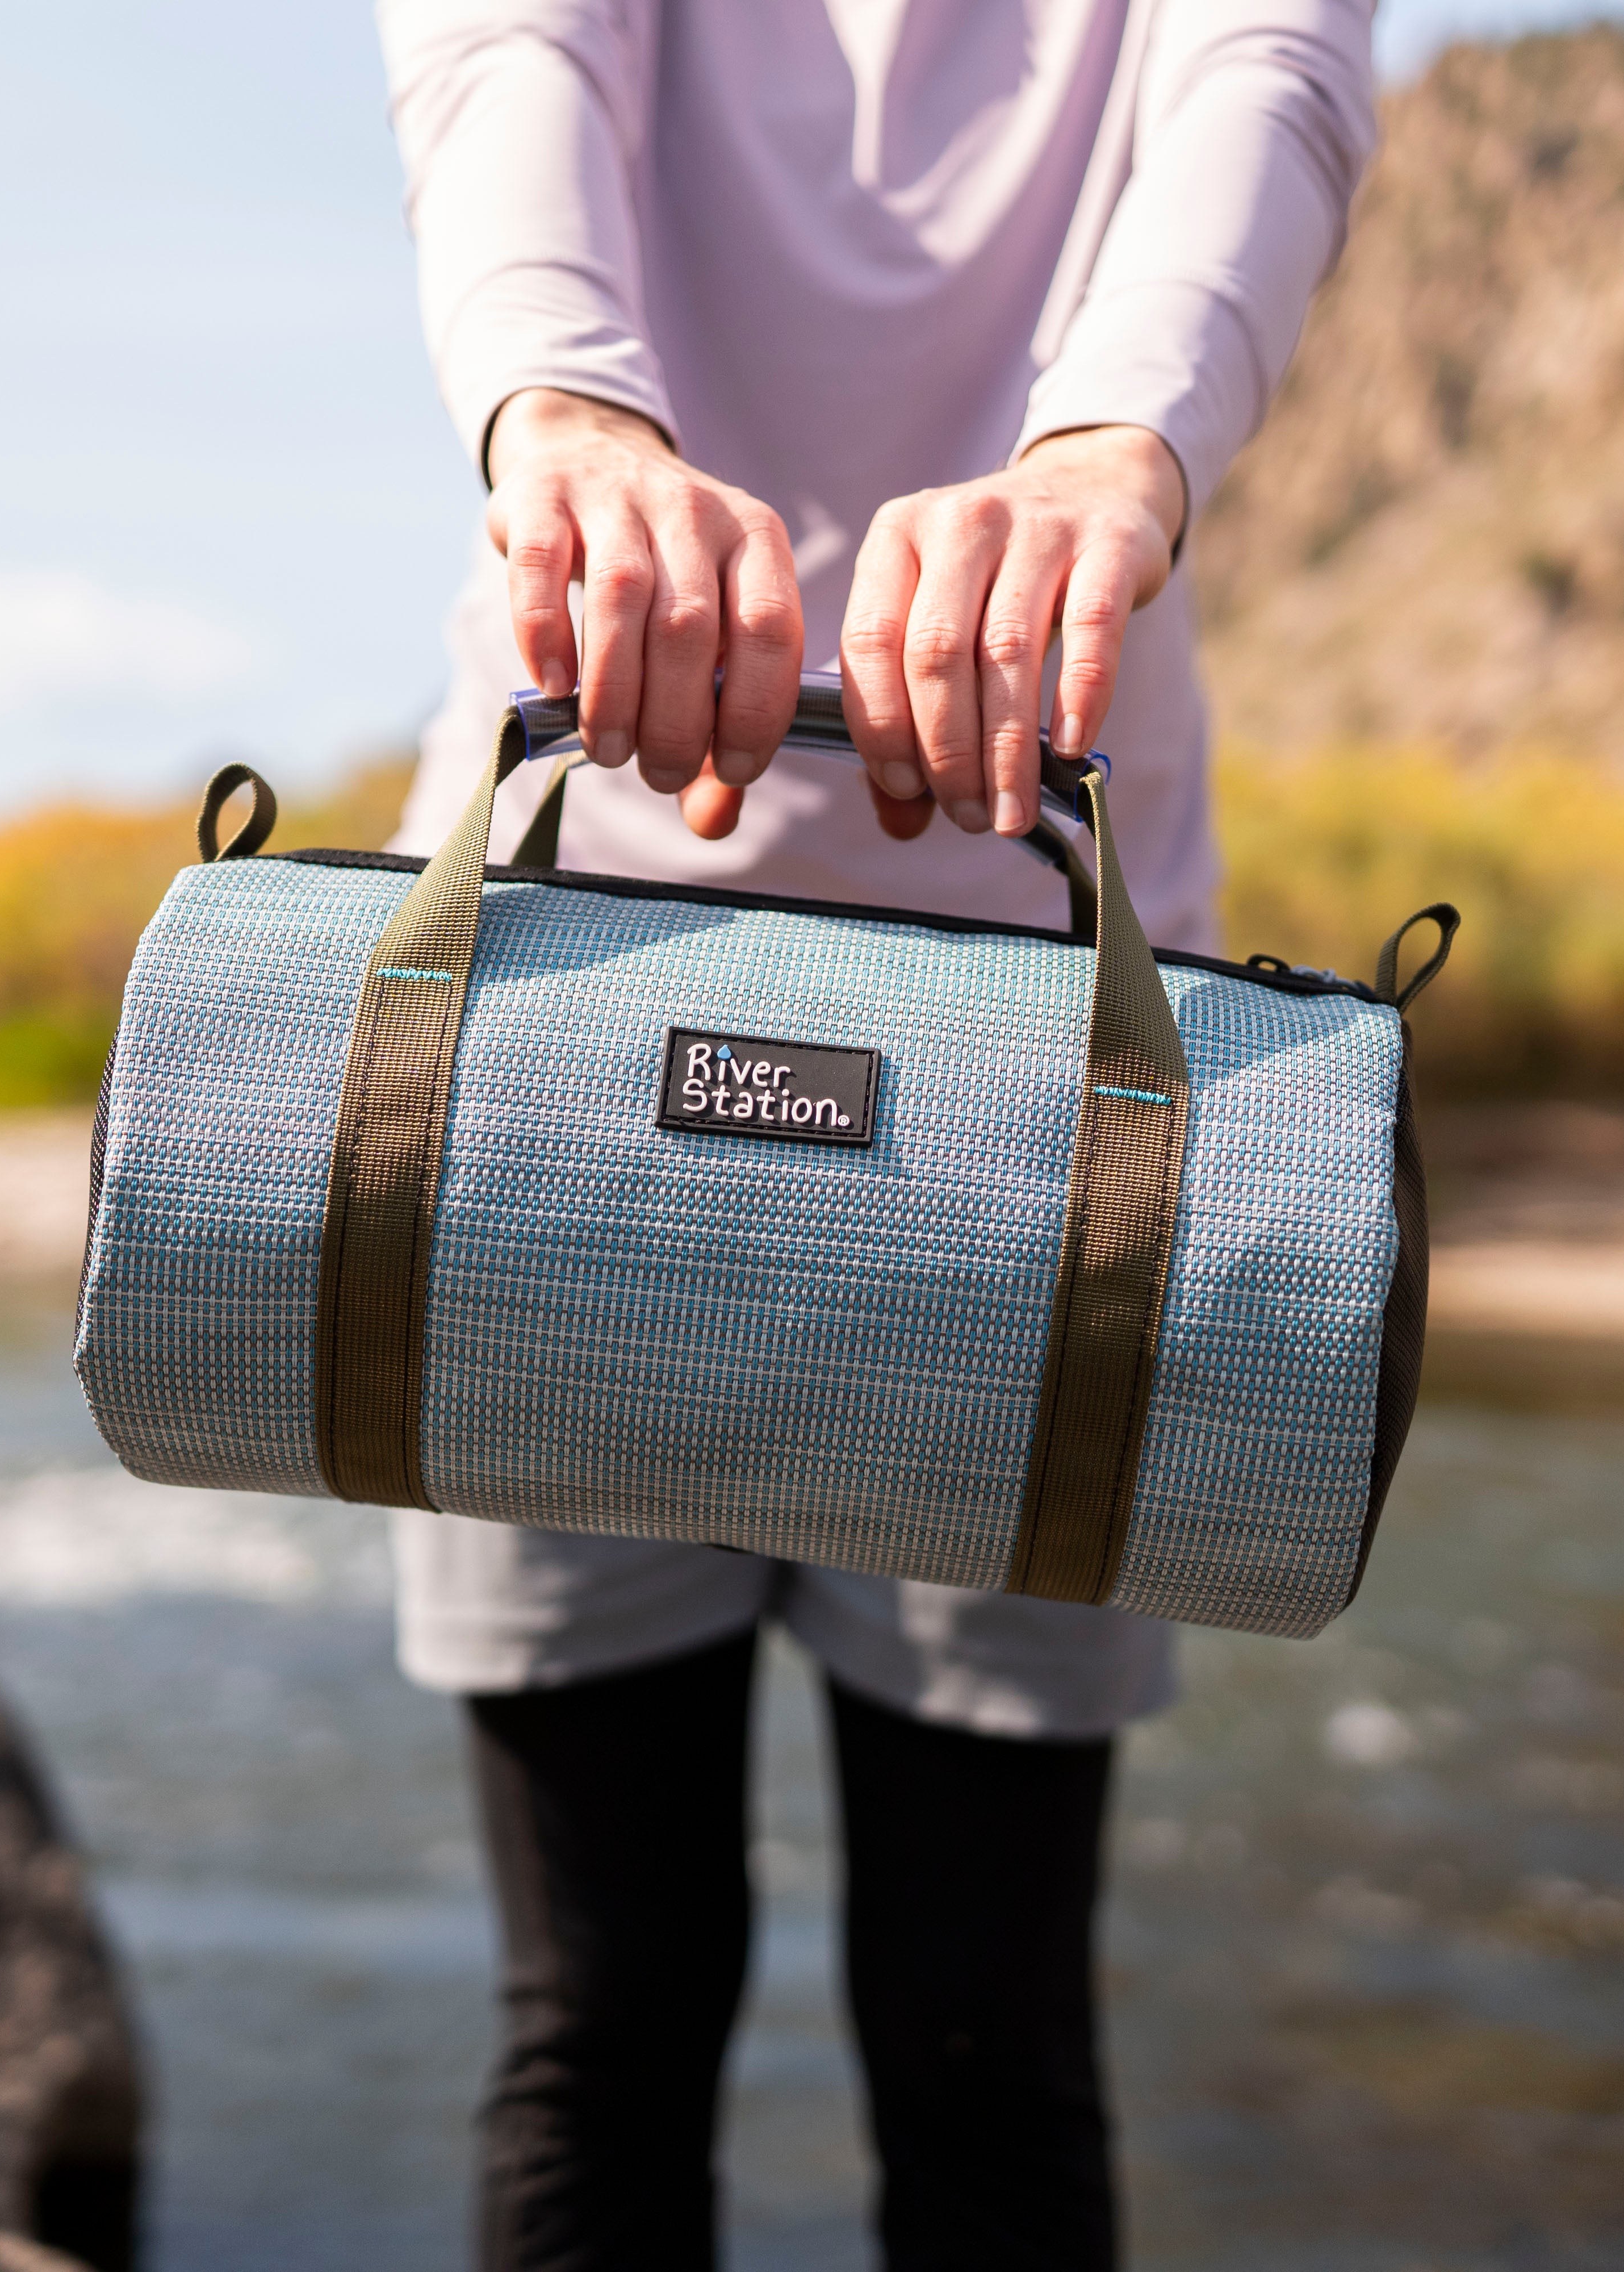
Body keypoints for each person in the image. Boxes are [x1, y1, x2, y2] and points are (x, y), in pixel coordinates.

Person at [373, 2, 1376, 2262]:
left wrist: (1115, 445)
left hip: (1047, 1114)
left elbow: (1266, 89)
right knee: (604, 2020)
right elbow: (504, 60)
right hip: (549, 1047)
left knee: (984, 2039)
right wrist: (564, 402)